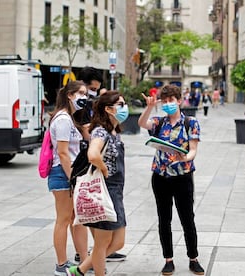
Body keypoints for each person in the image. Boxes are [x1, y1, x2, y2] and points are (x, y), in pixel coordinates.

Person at [138, 84, 205, 275]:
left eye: (171, 100)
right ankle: (168, 259)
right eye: (165, 101)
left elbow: (193, 149)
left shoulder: (190, 122)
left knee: (187, 218)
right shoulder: (159, 122)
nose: (168, 104)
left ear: (179, 101)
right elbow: (142, 124)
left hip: (182, 176)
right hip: (160, 176)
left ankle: (193, 258)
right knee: (163, 219)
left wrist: (186, 157)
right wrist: (149, 107)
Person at [67, 91, 128, 276]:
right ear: (108, 109)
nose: (125, 108)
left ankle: (80, 270)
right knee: (103, 243)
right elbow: (93, 154)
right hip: (104, 191)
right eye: (121, 104)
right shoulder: (101, 131)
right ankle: (85, 271)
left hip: (115, 191)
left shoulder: (113, 132)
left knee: (118, 242)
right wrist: (104, 168)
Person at [47, 81, 88, 276]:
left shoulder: (69, 118)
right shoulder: (63, 119)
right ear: (70, 95)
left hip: (70, 173)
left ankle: (84, 262)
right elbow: (63, 153)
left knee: (75, 219)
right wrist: (73, 178)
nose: (84, 96)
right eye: (80, 93)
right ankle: (61, 265)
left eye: (85, 93)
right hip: (63, 173)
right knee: (64, 219)